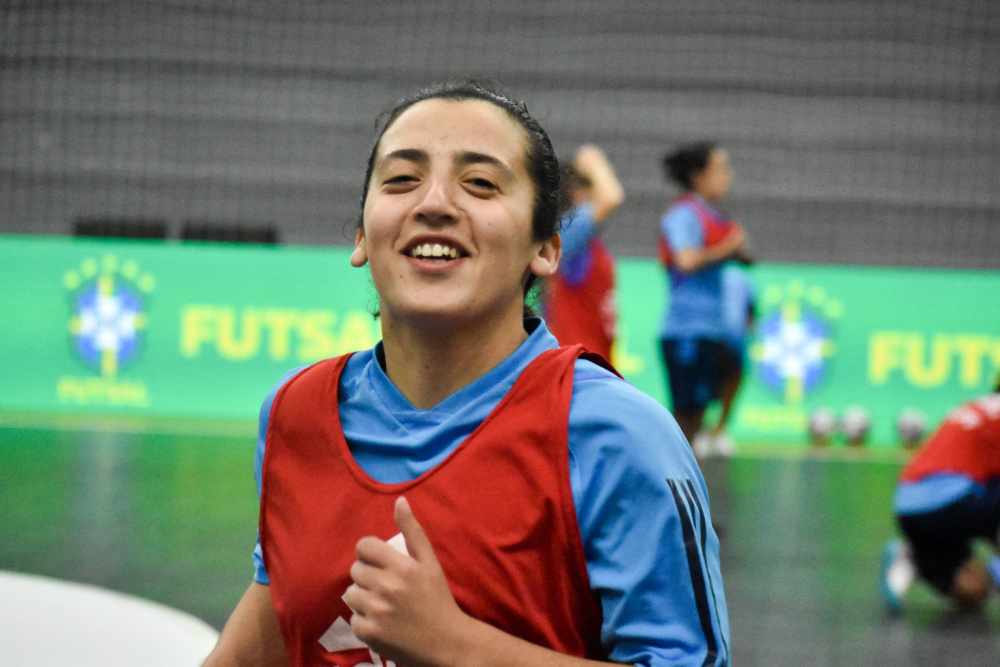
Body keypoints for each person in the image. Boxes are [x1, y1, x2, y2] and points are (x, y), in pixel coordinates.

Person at [202, 80, 729, 667]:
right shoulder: (294, 413)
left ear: (547, 249)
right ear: (360, 237)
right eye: (402, 180)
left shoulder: (619, 437)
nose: (433, 203)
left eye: (480, 183)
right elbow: (278, 615)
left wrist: (455, 645)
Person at [657, 141, 753, 447]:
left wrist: (738, 251)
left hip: (711, 329)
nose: (729, 176)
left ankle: (690, 474)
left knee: (706, 402)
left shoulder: (714, 216)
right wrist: (728, 249)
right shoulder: (684, 214)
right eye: (720, 168)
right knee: (686, 416)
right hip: (687, 329)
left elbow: (742, 256)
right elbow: (685, 260)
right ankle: (674, 485)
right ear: (699, 176)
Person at [880, 376, 1000, 614]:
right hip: (950, 504)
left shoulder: (976, 405)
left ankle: (911, 558)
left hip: (910, 510)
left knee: (975, 590)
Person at [543, 145, 624, 361]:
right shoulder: (568, 234)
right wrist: (592, 159)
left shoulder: (582, 239)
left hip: (591, 355)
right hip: (575, 358)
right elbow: (611, 198)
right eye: (591, 185)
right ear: (577, 190)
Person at [692, 265, 756, 458]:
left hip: (734, 341)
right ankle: (700, 432)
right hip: (707, 337)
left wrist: (745, 336)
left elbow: (750, 311)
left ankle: (719, 431)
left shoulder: (743, 278)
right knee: (701, 386)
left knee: (733, 381)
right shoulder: (704, 272)